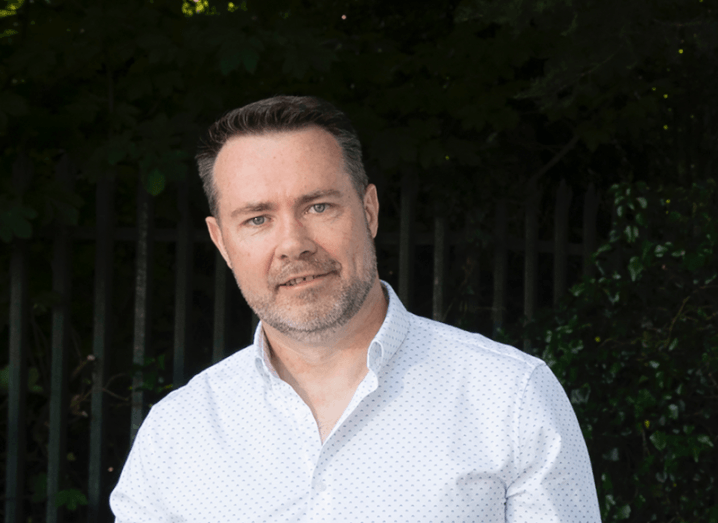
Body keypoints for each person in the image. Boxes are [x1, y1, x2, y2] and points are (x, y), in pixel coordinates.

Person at [110, 96, 601, 522]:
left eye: (318, 207)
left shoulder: (509, 398)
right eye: (258, 219)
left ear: (368, 210)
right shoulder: (175, 433)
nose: (293, 244)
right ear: (222, 241)